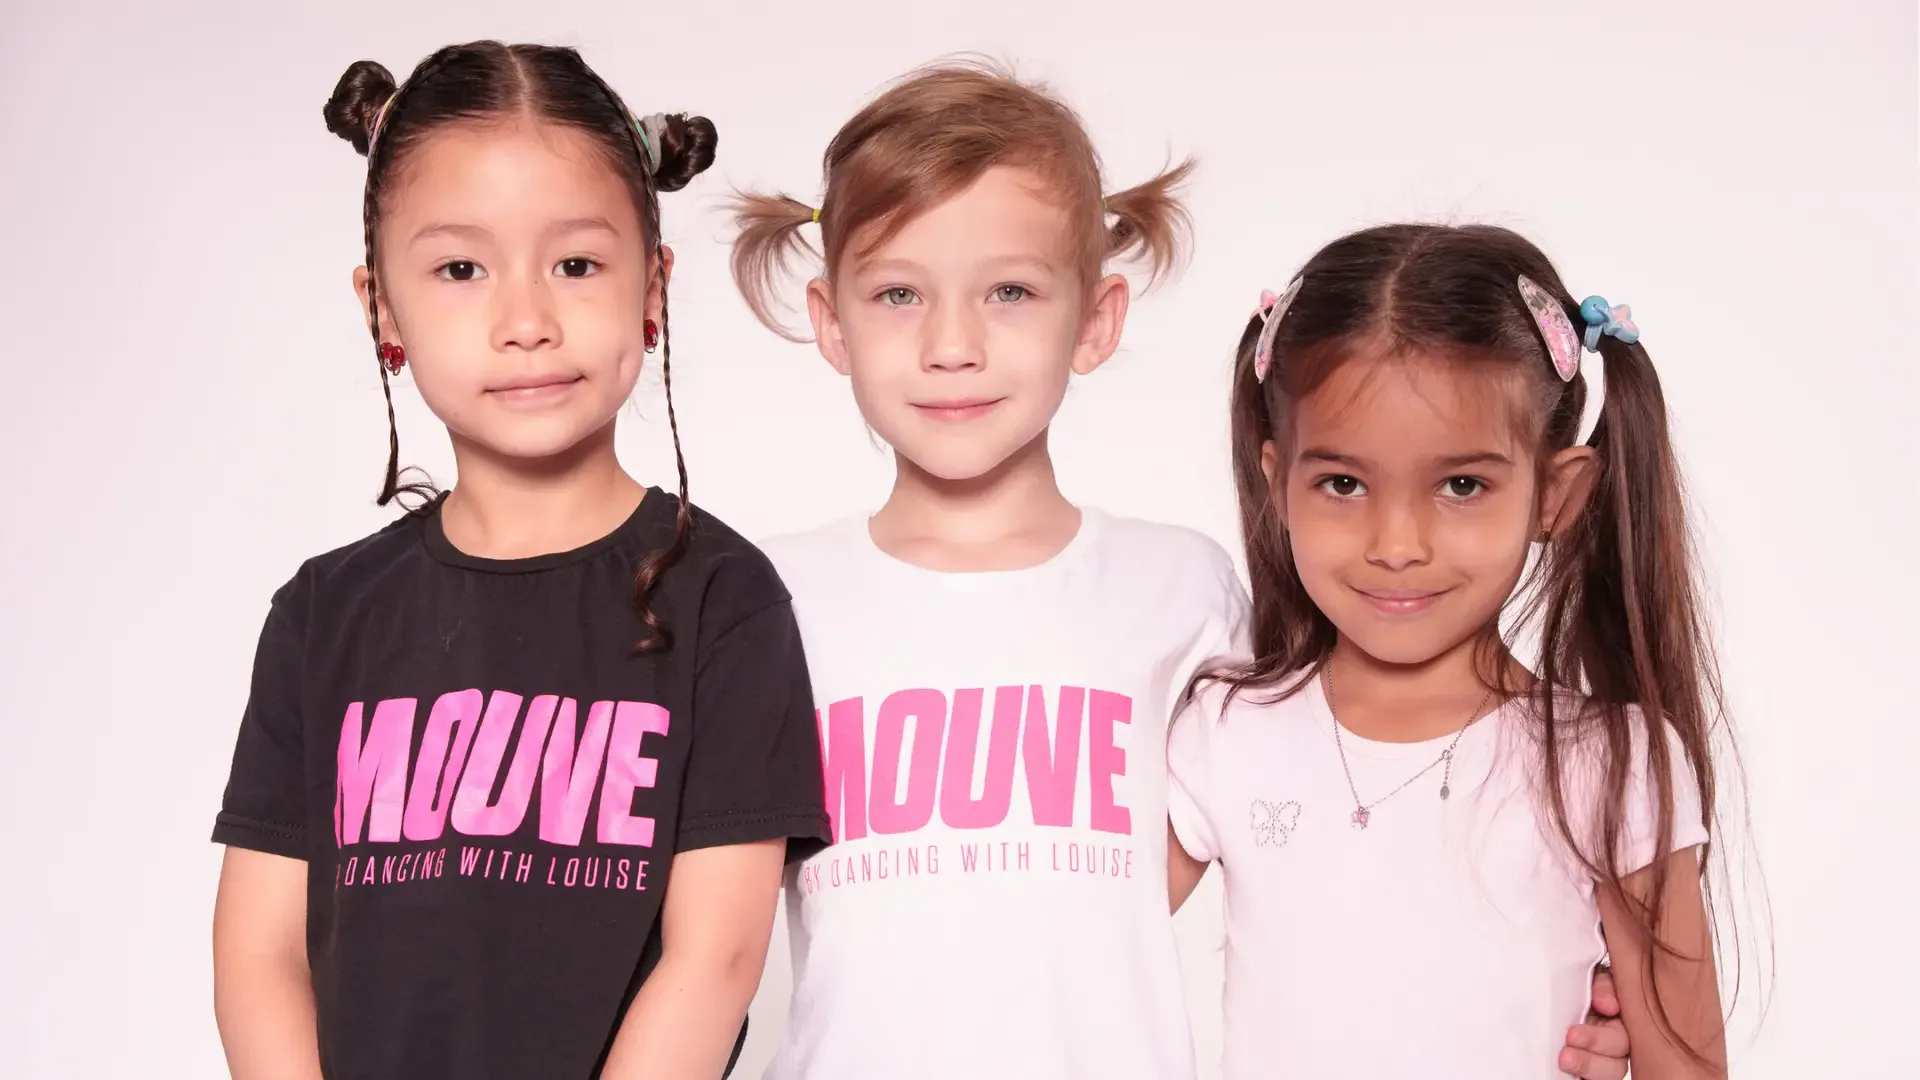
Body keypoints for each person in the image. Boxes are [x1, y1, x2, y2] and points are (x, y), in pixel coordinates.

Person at [730, 62, 1633, 1079]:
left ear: (1098, 320)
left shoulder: (1183, 591)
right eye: (900, 293)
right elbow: (699, 921)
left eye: (1010, 291)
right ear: (830, 321)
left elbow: (1351, 822)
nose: (953, 345)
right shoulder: (764, 599)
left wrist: (1562, 987)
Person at [210, 41, 830, 1080]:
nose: (527, 322)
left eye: (577, 265)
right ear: (383, 308)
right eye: (461, 270)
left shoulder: (722, 598)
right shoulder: (325, 614)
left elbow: (715, 958)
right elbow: (259, 955)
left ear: (653, 287)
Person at [1168, 223, 1734, 1079]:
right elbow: (1071, 948)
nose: (1398, 543)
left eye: (1462, 485)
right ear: (1279, 481)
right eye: (1343, 484)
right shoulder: (1223, 729)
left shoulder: (1610, 764)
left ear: (1556, 493)